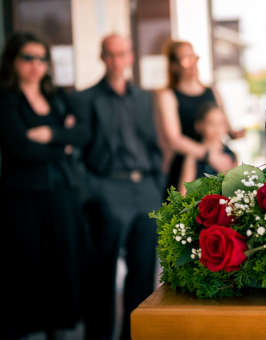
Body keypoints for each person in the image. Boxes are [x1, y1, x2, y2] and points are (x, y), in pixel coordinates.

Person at [73, 34, 162, 340]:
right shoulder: (85, 99)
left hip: (145, 190)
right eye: (110, 54)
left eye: (121, 53)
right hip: (107, 188)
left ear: (130, 57)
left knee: (142, 272)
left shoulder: (143, 98)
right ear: (103, 58)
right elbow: (79, 152)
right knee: (102, 274)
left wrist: (156, 187)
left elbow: (153, 145)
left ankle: (133, 336)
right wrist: (92, 190)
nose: (116, 60)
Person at [0, 32, 88, 339]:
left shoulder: (56, 98)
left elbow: (81, 134)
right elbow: (18, 148)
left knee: (63, 264)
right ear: (13, 61)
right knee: (29, 266)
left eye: (41, 58)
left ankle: (59, 329)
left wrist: (50, 136)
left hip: (61, 193)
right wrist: (60, 142)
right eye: (28, 58)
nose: (36, 65)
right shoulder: (6, 100)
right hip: (24, 197)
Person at [156, 40, 242, 196]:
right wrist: (210, 156)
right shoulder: (168, 95)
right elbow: (174, 139)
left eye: (194, 58)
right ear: (174, 66)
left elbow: (226, 127)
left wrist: (235, 133)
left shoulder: (212, 91)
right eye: (185, 60)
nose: (193, 64)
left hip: (218, 160)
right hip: (188, 165)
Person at [178, 102, 237, 195]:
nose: (217, 128)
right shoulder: (193, 156)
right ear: (199, 125)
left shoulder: (231, 155)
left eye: (221, 123)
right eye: (211, 123)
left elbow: (234, 187)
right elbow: (184, 191)